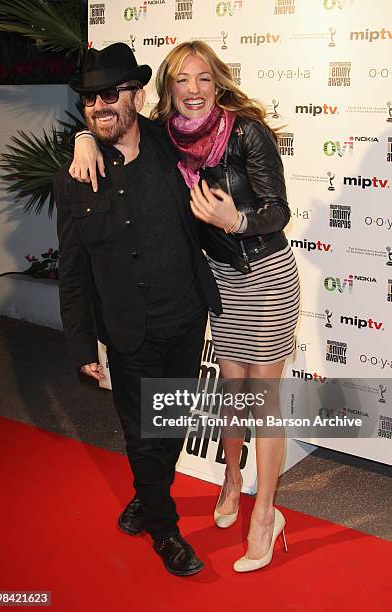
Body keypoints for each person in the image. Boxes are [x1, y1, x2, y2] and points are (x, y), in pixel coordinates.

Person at [70, 41, 300, 573]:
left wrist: (235, 222)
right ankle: (233, 480)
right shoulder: (168, 137)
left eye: (203, 79)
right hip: (218, 282)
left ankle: (265, 515)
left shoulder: (243, 131)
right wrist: (82, 136)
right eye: (183, 81)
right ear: (167, 91)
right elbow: (112, 123)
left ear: (217, 84)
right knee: (230, 397)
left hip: (262, 276)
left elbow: (278, 210)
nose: (193, 91)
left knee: (261, 401)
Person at [53, 42, 222, 577]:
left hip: (187, 317)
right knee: (143, 432)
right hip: (128, 331)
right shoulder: (73, 179)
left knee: (170, 423)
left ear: (137, 95)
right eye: (88, 101)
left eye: (110, 94)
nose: (99, 106)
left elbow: (217, 120)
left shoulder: (173, 145)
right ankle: (165, 526)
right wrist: (81, 345)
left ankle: (146, 496)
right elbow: (74, 272)